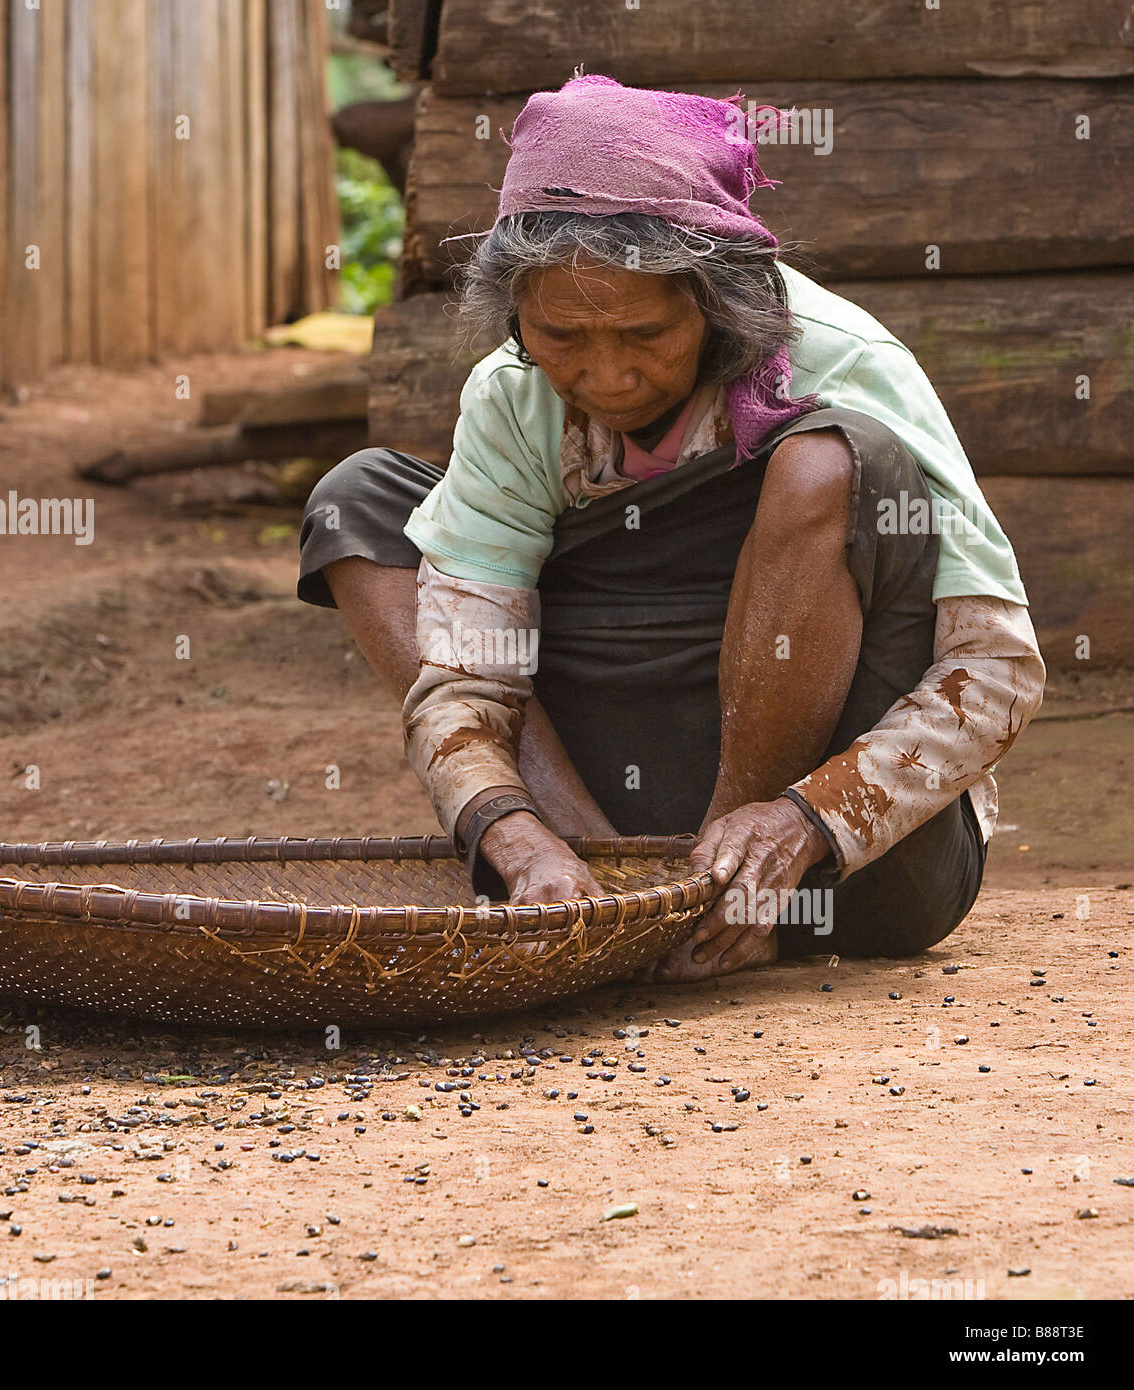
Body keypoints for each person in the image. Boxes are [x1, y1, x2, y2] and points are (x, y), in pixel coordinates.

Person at [297, 74, 1045, 981]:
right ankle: (610, 884)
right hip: (611, 830)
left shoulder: (843, 360)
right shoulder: (513, 386)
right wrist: (519, 834)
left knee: (831, 460)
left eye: (644, 334)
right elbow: (467, 672)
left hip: (849, 873)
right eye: (561, 337)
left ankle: (717, 888)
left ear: (715, 301)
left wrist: (802, 821)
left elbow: (998, 672)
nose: (606, 376)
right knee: (362, 497)